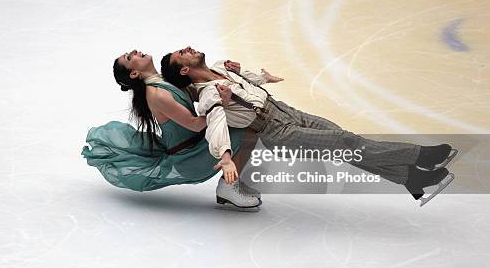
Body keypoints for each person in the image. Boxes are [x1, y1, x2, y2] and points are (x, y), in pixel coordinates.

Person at [160, 46, 458, 207]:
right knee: (345, 142)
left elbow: (246, 78)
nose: (186, 48)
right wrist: (225, 155)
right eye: (180, 54)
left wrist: (263, 77)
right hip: (278, 131)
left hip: (286, 111)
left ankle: (410, 179)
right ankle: (420, 156)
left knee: (348, 144)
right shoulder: (210, 94)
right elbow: (214, 123)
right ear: (184, 70)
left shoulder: (221, 66)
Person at [81, 49, 261, 209]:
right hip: (190, 156)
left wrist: (225, 71)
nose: (135, 51)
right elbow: (195, 123)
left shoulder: (164, 81)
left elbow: (201, 89)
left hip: (197, 144)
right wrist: (223, 105)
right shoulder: (157, 94)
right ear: (135, 73)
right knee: (246, 128)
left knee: (244, 123)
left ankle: (230, 183)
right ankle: (228, 187)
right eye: (129, 57)